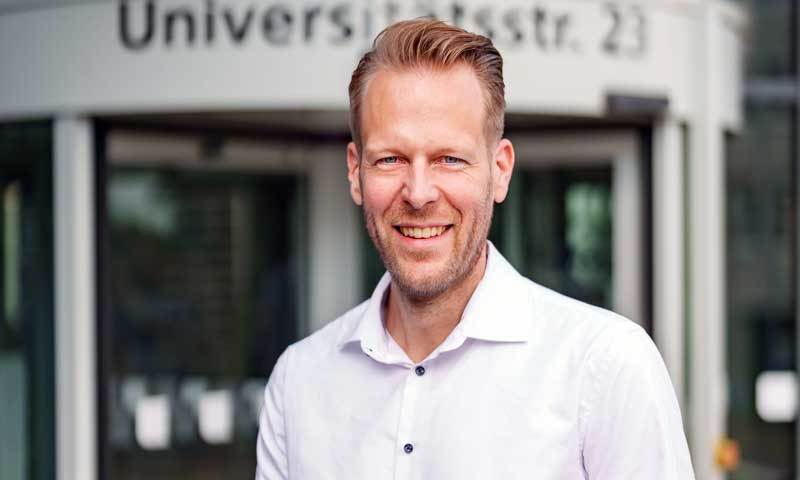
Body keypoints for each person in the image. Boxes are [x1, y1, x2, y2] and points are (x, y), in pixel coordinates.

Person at [256, 18, 694, 479]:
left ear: (500, 170)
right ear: (355, 171)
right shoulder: (298, 383)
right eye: (391, 159)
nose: (419, 193)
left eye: (449, 159)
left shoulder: (605, 367)